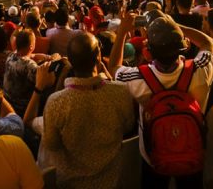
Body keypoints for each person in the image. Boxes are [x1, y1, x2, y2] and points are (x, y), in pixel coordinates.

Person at [110, 12, 213, 189]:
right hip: (192, 153)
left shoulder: (137, 79)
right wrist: (175, 25)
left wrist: (122, 32)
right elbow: (208, 43)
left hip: (153, 157)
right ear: (183, 45)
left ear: (148, 52)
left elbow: (114, 66)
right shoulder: (201, 70)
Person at [25, 32, 135, 189]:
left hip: (70, 184)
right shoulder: (121, 91)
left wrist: (38, 88)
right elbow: (128, 126)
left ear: (70, 60)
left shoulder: (57, 103)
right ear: (98, 57)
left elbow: (52, 145)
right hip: (112, 181)